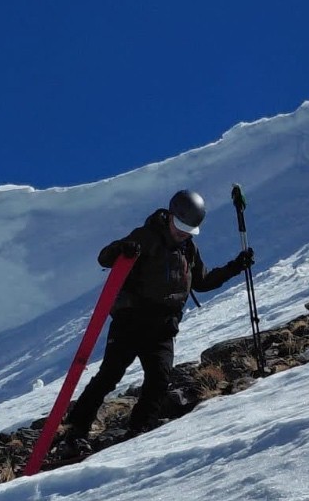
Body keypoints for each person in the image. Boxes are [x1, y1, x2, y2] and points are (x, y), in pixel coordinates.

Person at [64, 189, 252, 443]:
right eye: (181, 225)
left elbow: (203, 281)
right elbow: (105, 258)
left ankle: (139, 430)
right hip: (131, 322)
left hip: (163, 327)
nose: (183, 232)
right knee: (110, 375)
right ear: (171, 215)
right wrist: (123, 249)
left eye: (189, 229)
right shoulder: (146, 237)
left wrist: (235, 267)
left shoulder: (188, 249)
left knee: (160, 378)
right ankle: (76, 428)